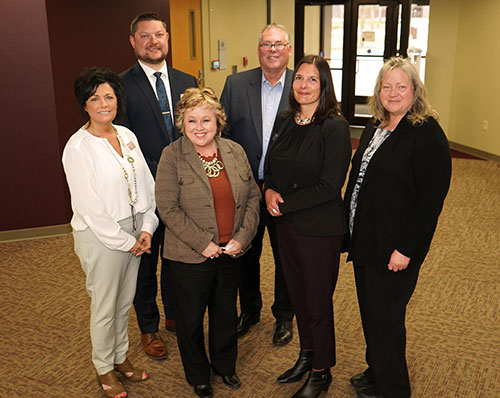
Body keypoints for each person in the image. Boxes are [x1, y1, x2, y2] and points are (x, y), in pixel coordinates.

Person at [344, 57, 452, 398]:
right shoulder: (376, 125)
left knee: (386, 319)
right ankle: (377, 369)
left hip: (396, 247)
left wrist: (405, 249)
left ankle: (393, 388)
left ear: (415, 91)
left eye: (401, 86)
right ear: (378, 91)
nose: (393, 93)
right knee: (372, 313)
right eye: (386, 86)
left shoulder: (427, 133)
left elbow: (430, 202)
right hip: (368, 239)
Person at [155, 87, 260, 398]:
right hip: (190, 257)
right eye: (191, 121)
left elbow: (253, 197)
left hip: (231, 252)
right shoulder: (171, 156)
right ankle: (198, 375)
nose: (199, 128)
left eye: (206, 120)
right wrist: (203, 243)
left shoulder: (235, 151)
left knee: (226, 313)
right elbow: (167, 208)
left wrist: (242, 238)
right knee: (189, 319)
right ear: (182, 124)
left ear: (219, 122)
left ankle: (225, 367)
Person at [62, 67, 158, 398]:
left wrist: (147, 227)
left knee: (123, 303)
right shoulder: (78, 148)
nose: (104, 104)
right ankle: (103, 367)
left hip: (134, 233)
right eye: (95, 98)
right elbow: (90, 209)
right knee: (104, 307)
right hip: (102, 238)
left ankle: (120, 358)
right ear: (84, 104)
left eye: (109, 96)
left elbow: (147, 185)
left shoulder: (127, 135)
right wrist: (126, 241)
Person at [264, 55, 352, 398]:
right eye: (299, 78)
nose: (303, 85)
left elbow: (330, 186)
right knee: (298, 297)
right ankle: (306, 354)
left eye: (312, 79)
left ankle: (321, 371)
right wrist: (269, 189)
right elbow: (271, 167)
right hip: (286, 227)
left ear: (324, 85)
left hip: (319, 230)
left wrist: (282, 204)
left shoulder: (334, 127)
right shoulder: (286, 120)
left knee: (317, 302)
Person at [120, 12, 198, 360]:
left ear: (168, 38)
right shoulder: (120, 86)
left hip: (182, 192)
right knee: (146, 264)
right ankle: (148, 328)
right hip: (142, 194)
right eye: (145, 36)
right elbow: (120, 144)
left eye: (160, 35)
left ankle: (173, 315)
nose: (154, 42)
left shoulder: (187, 80)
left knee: (176, 259)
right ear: (133, 42)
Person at [220, 23, 294, 345]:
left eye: (279, 44)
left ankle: (284, 316)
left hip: (285, 193)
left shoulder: (302, 85)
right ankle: (249, 310)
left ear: (288, 49)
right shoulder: (236, 85)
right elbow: (223, 136)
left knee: (285, 257)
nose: (273, 49)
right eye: (267, 44)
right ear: (258, 49)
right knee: (246, 255)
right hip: (246, 191)